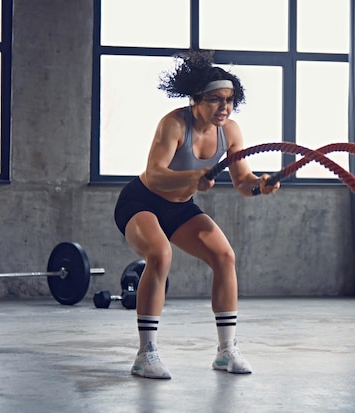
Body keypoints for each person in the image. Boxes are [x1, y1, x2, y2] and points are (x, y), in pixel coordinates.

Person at [114, 51, 280, 379]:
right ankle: (145, 354)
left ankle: (226, 351)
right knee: (159, 255)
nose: (225, 107)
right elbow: (156, 173)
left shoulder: (230, 132)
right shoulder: (174, 123)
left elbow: (242, 183)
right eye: (216, 99)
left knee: (224, 256)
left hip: (181, 207)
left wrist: (260, 185)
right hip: (141, 202)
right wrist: (193, 177)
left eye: (230, 100)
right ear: (196, 99)